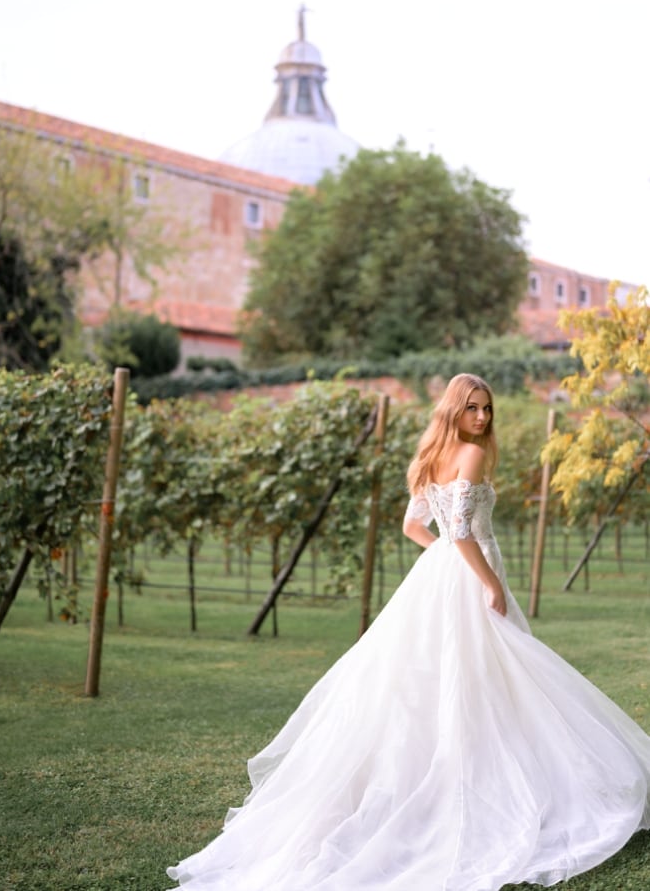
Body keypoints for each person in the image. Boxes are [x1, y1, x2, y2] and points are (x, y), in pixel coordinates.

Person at [166, 373, 650, 891]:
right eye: (472, 408)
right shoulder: (470, 455)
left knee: (456, 679)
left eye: (487, 409)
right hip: (469, 572)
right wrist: (488, 582)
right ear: (454, 410)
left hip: (441, 574)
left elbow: (417, 528)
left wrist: (444, 560)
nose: (482, 418)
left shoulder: (432, 455)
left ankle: (462, 776)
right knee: (491, 675)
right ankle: (491, 784)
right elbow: (461, 532)